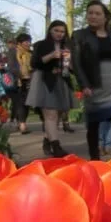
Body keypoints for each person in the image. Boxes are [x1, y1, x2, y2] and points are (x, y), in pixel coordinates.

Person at [71, 0, 111, 161]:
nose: (93, 16)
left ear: (105, 17)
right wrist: (84, 84)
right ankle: (95, 159)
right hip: (93, 84)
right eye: (90, 13)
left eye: (97, 13)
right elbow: (77, 63)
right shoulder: (79, 36)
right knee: (94, 123)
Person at [26, 20, 76, 157]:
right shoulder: (41, 45)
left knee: (58, 114)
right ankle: (56, 146)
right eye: (56, 31)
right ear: (50, 31)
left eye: (62, 31)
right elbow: (35, 63)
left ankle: (47, 140)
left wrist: (69, 60)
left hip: (61, 81)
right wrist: (52, 55)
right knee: (50, 114)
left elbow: (70, 70)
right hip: (45, 81)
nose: (60, 34)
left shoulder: (68, 47)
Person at [11, 33, 33, 133]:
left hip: (29, 80)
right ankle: (21, 124)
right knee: (19, 102)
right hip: (17, 80)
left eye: (29, 41)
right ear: (19, 43)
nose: (28, 43)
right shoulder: (13, 52)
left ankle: (21, 123)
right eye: (26, 41)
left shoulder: (31, 53)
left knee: (26, 103)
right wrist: (18, 74)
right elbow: (11, 66)